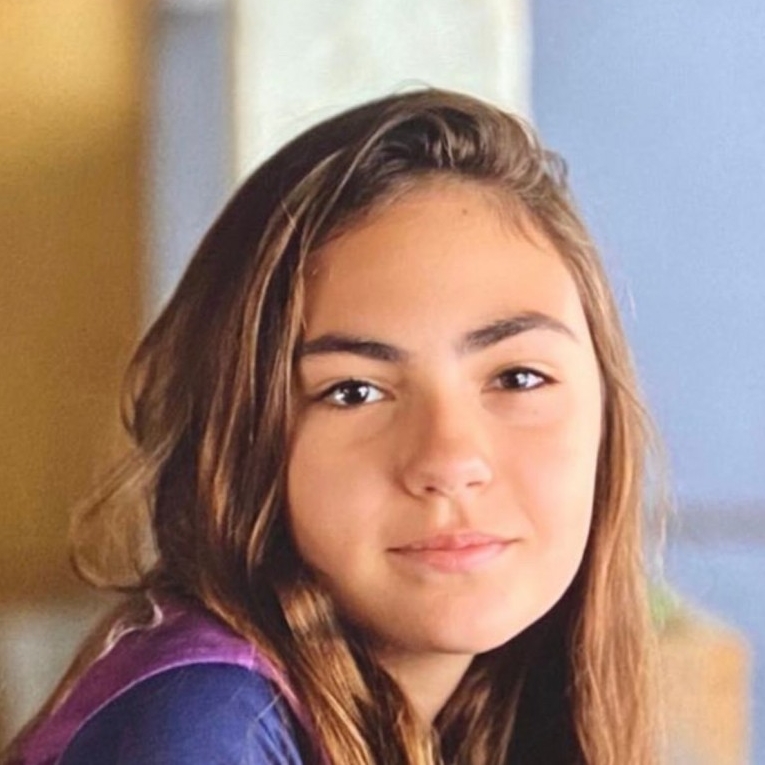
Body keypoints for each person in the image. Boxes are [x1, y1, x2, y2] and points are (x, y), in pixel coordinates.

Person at [4, 89, 661, 765]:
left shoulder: (480, 712)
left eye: (518, 378)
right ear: (242, 438)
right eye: (353, 391)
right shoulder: (205, 732)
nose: (449, 459)